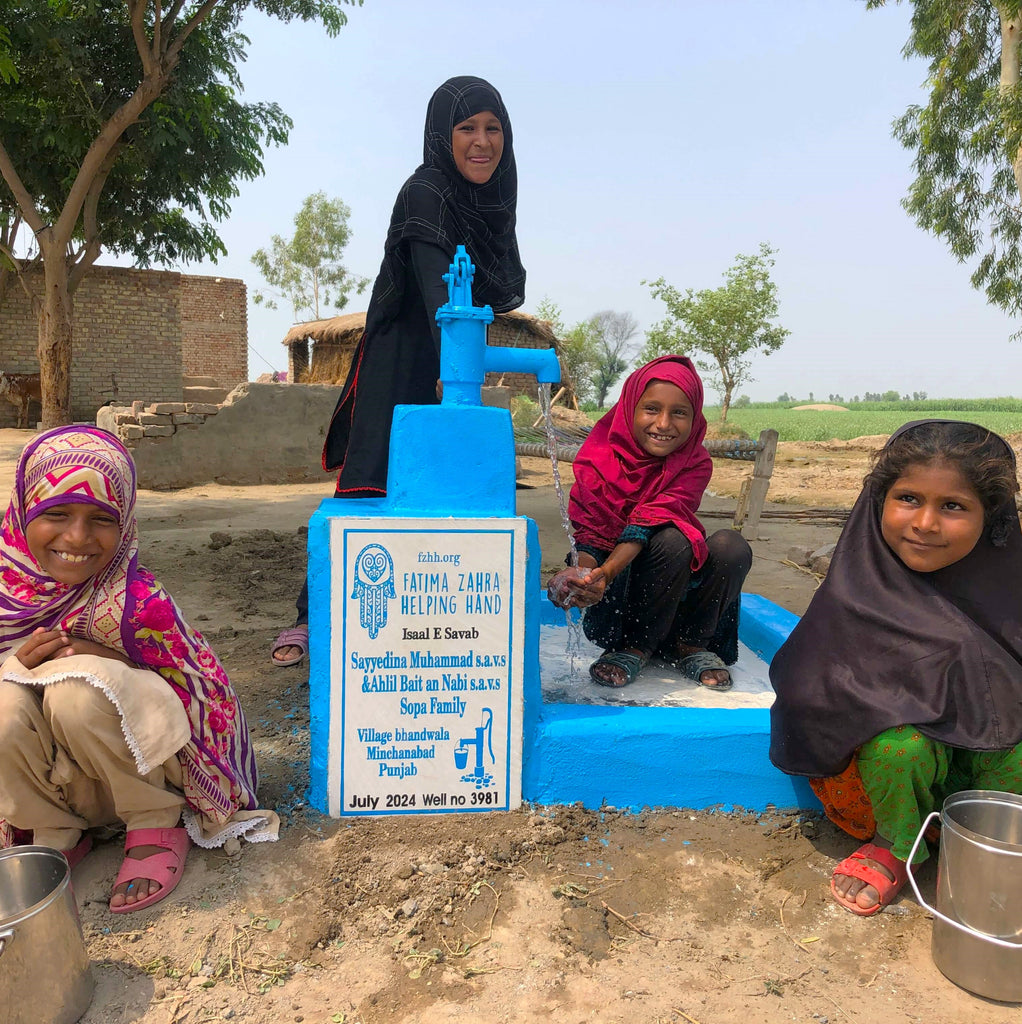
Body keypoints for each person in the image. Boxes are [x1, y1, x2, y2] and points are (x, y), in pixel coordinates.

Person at [272, 74, 525, 667]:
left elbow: (495, 286)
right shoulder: (426, 192)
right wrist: (452, 366)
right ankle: (313, 617)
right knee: (370, 484)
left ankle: (433, 621)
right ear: (443, 134)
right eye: (467, 128)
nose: (483, 142)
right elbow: (441, 288)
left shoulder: (492, 199)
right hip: (407, 357)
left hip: (453, 353)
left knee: (445, 488)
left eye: (494, 129)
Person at [0, 426, 277, 914]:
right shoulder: (6, 588)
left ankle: (153, 824)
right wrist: (12, 665)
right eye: (56, 514)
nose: (77, 537)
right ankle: (53, 830)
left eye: (101, 519)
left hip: (144, 775)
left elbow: (209, 696)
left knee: (77, 693)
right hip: (60, 787)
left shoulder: (138, 603)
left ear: (125, 523)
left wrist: (118, 659)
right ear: (24, 512)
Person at [769, 420, 1022, 916]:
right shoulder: (853, 594)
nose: (925, 523)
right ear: (878, 501)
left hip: (981, 775)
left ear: (991, 517)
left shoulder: (1010, 595)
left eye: (952, 506)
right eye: (908, 498)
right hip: (891, 782)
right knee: (899, 746)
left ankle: (983, 841)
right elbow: (808, 697)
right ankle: (896, 844)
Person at [546, 355, 752, 689]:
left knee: (729, 545)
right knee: (673, 540)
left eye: (680, 412)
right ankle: (633, 648)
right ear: (630, 408)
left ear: (695, 417)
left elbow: (650, 519)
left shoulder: (693, 463)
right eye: (652, 409)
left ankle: (692, 646)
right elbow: (591, 537)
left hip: (681, 599)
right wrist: (584, 577)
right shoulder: (598, 460)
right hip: (624, 607)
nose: (664, 423)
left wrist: (606, 571)